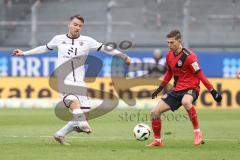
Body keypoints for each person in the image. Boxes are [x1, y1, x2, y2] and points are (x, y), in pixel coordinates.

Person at [12, 15, 131, 145]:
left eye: (80, 26)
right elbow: (45, 48)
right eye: (75, 24)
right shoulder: (59, 39)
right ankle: (81, 123)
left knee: (85, 114)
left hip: (79, 81)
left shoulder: (87, 41)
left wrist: (122, 55)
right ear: (69, 24)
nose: (77, 28)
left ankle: (60, 134)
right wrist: (24, 53)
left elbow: (104, 48)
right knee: (74, 104)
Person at [146, 30, 222, 147]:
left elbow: (200, 74)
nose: (169, 45)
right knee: (155, 112)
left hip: (191, 88)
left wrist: (212, 91)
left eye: (172, 42)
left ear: (179, 41)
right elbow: (169, 73)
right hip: (176, 90)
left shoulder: (190, 56)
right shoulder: (168, 55)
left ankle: (197, 132)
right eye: (168, 43)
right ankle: (158, 141)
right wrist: (159, 88)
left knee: (186, 101)